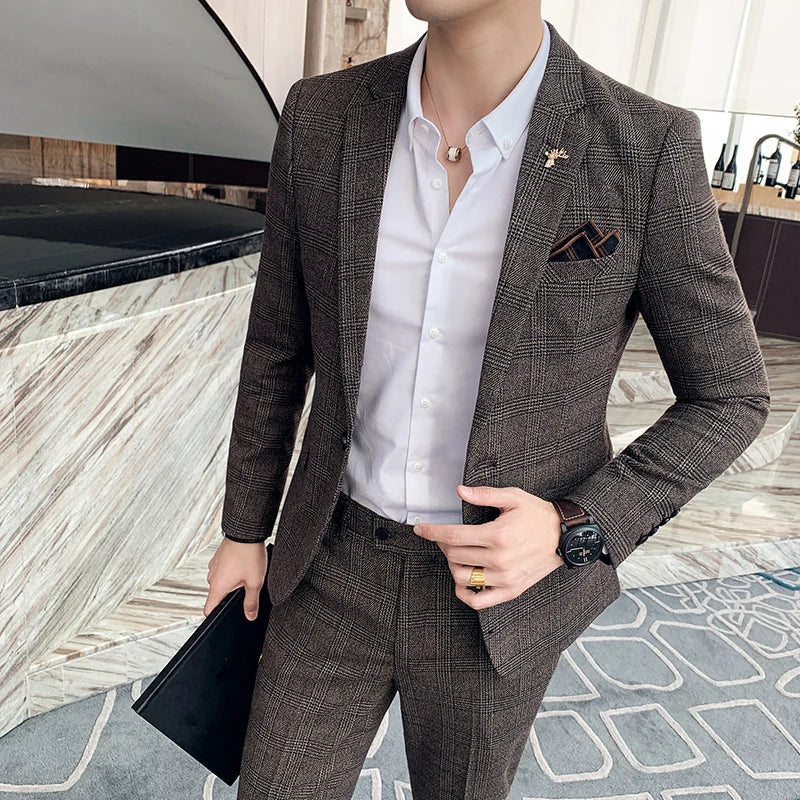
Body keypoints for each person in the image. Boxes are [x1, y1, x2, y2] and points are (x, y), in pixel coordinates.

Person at [204, 1, 770, 797]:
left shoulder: (644, 145)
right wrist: (243, 530)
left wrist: (578, 526)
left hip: (498, 595)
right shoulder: (322, 117)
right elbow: (277, 345)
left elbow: (730, 395)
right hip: (328, 564)